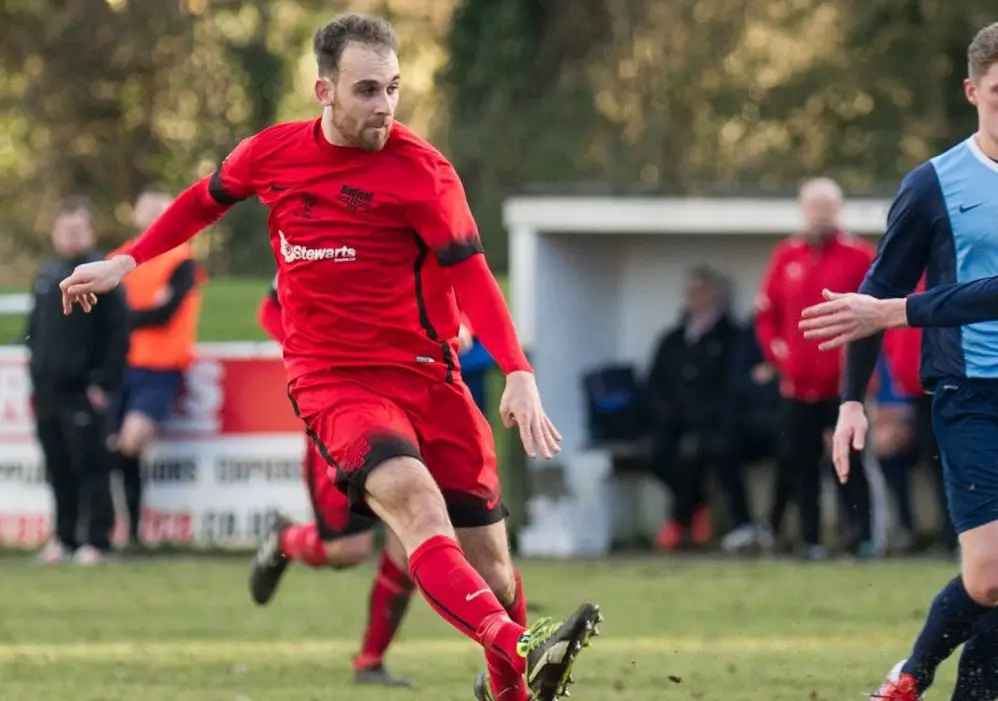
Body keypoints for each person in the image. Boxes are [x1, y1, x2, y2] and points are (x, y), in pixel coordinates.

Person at [56, 14, 601, 701]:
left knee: (493, 570)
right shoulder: (273, 154)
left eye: (393, 89)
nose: (383, 106)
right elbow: (203, 201)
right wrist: (125, 259)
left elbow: (472, 275)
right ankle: (518, 645)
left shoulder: (425, 173)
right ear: (324, 91)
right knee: (414, 506)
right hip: (334, 381)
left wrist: (518, 370)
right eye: (367, 90)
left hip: (430, 377)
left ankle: (509, 685)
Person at [797, 22, 998, 701]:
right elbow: (871, 298)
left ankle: (945, 685)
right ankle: (915, 669)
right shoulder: (934, 184)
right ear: (973, 91)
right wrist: (852, 398)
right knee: (990, 577)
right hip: (970, 392)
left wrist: (899, 313)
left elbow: (893, 308)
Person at [252, 276, 415, 687]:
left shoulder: (428, 233)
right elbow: (271, 310)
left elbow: (462, 300)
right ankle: (285, 540)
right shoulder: (320, 238)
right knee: (346, 549)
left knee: (411, 536)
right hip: (341, 417)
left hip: (409, 407)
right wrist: (315, 358)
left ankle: (370, 662)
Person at [755, 177, 876, 559]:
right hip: (797, 387)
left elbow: (876, 315)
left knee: (850, 464)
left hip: (843, 388)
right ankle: (809, 539)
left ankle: (861, 538)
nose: (819, 216)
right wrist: (781, 357)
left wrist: (862, 373)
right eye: (813, 208)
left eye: (826, 208)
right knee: (800, 464)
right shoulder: (787, 255)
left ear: (837, 211)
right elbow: (766, 315)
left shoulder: (859, 255)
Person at [26, 196, 128, 565]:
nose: (70, 236)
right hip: (48, 391)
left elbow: (118, 334)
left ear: (90, 231)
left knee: (91, 467)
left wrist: (103, 383)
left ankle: (97, 540)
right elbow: (35, 332)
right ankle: (63, 537)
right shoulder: (47, 275)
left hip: (83, 391)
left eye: (77, 229)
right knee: (58, 467)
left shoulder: (102, 273)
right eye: (65, 229)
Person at [110, 185, 203, 551]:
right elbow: (107, 313)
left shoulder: (181, 260)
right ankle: (127, 534)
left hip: (162, 368)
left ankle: (128, 532)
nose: (153, 217)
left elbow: (165, 312)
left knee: (130, 443)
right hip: (120, 366)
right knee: (110, 446)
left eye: (161, 210)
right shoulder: (117, 259)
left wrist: (125, 317)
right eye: (147, 209)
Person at [645, 265, 747, 551]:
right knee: (658, 453)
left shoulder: (731, 338)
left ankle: (679, 520)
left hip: (714, 422)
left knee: (699, 451)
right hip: (674, 422)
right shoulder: (673, 339)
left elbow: (732, 386)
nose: (694, 298)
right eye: (691, 293)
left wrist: (707, 413)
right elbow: (655, 383)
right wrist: (668, 412)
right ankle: (696, 505)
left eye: (701, 292)